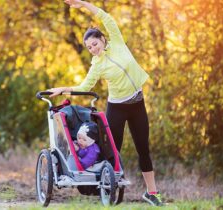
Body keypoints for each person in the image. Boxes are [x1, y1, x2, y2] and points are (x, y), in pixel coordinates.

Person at [48, 0, 164, 206]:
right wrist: (64, 89)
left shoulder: (117, 41)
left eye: (95, 43)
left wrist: (83, 5)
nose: (93, 48)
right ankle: (109, 189)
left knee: (143, 149)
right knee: (112, 150)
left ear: (102, 39)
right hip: (117, 107)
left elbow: (105, 17)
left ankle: (152, 193)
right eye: (89, 47)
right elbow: (85, 85)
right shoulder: (97, 65)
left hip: (137, 103)